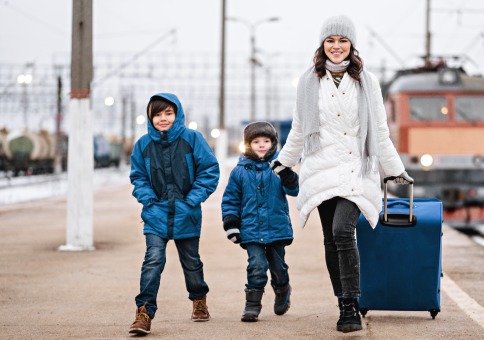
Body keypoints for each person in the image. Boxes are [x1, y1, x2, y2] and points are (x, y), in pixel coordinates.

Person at [270, 15, 413, 333]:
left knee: (342, 231)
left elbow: (379, 130)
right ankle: (342, 303)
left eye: (343, 40)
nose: (336, 46)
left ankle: (351, 305)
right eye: (331, 40)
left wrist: (396, 172)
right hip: (320, 169)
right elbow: (300, 129)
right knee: (330, 240)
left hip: (354, 169)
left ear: (352, 45)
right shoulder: (309, 82)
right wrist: (283, 161)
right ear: (323, 44)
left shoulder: (367, 82)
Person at [128, 93, 220, 335]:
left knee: (191, 263)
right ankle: (144, 312)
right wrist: (148, 199)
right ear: (150, 117)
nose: (163, 118)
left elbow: (209, 171)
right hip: (156, 214)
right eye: (157, 114)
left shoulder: (192, 139)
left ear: (177, 114)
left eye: (168, 113)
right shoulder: (143, 145)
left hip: (186, 213)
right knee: (153, 260)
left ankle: (199, 299)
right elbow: (138, 176)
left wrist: (191, 200)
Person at [221, 121, 299, 322]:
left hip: (276, 228)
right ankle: (252, 305)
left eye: (266, 141)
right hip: (251, 229)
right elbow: (231, 200)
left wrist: (288, 176)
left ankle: (283, 289)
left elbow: (295, 190)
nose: (262, 145)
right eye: (256, 141)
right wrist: (231, 224)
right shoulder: (239, 172)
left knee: (278, 266)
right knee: (256, 265)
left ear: (273, 143)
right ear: (248, 144)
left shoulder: (279, 167)